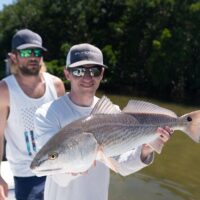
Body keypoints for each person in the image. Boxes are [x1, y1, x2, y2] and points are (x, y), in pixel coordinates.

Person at [34, 43, 173, 200]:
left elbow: (121, 165)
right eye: (78, 71)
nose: (87, 77)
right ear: (67, 73)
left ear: (101, 74)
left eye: (94, 70)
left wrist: (146, 148)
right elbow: (56, 173)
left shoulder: (112, 112)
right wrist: (79, 162)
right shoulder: (46, 114)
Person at [0, 28, 65, 200]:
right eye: (27, 51)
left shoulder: (56, 85)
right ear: (14, 56)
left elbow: (65, 131)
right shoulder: (4, 90)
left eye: (37, 51)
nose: (33, 56)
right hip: (26, 172)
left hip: (58, 168)